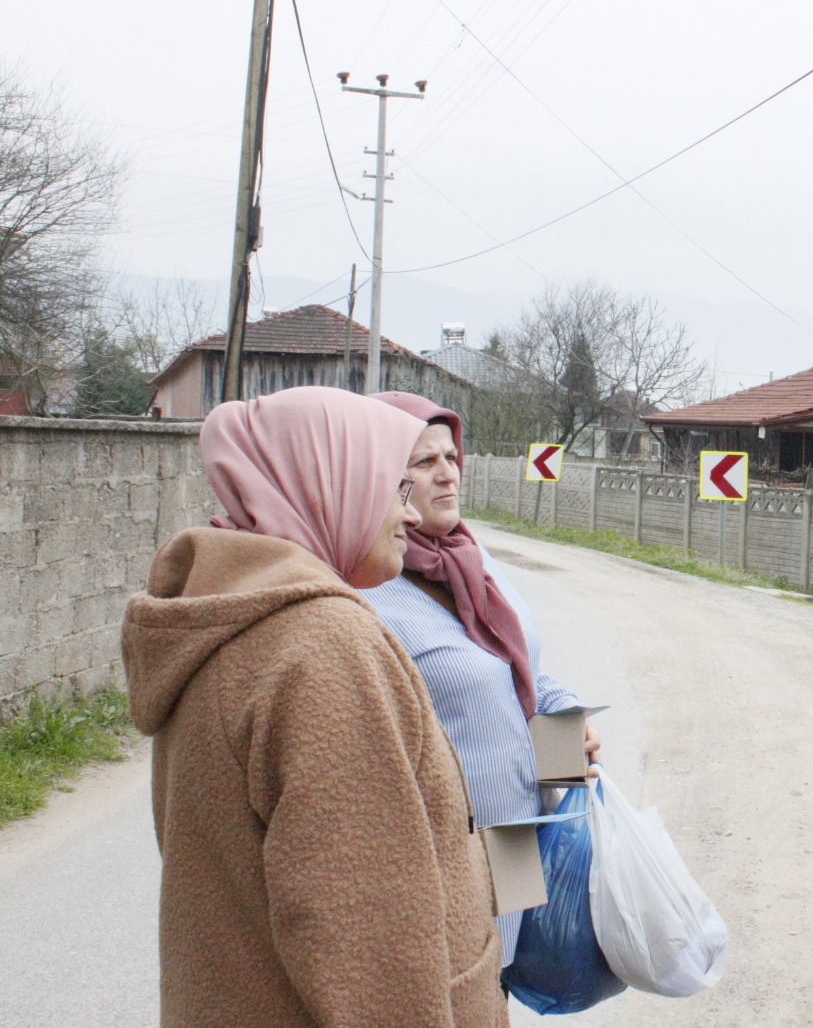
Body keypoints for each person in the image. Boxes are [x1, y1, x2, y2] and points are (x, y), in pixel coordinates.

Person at [121, 386, 508, 1028]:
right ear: (329, 484)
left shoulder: (226, 616)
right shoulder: (323, 646)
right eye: (394, 489)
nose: (410, 519)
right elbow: (365, 942)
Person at [360, 391, 598, 978]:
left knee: (506, 981)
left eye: (451, 456)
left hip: (517, 833)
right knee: (458, 985)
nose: (448, 474)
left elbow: (517, 674)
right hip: (448, 856)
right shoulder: (365, 589)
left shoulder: (471, 559)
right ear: (376, 478)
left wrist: (569, 737)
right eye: (423, 462)